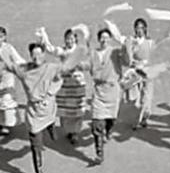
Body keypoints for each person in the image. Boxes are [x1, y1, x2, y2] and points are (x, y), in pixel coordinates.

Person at [7, 42, 64, 173]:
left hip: (48, 107)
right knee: (35, 145)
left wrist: (50, 93)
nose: (36, 57)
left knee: (50, 119)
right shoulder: (24, 70)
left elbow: (61, 77)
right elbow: (9, 64)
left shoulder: (51, 68)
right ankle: (39, 172)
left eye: (39, 53)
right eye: (34, 54)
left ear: (44, 54)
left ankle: (51, 126)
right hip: (34, 112)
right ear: (30, 55)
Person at [79, 28, 124, 165]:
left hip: (112, 90)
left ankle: (109, 130)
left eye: (107, 37)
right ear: (99, 40)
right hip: (98, 91)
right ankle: (99, 153)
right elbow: (87, 65)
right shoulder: (94, 53)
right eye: (102, 37)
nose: (104, 40)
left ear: (110, 39)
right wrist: (75, 64)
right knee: (97, 123)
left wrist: (121, 39)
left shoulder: (116, 52)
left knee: (111, 120)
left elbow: (127, 57)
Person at [47, 28, 88, 144]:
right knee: (65, 109)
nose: (69, 41)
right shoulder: (62, 51)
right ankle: (68, 130)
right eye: (67, 39)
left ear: (75, 39)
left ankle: (75, 132)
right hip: (65, 84)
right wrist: (43, 37)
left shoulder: (79, 50)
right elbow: (51, 50)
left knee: (77, 109)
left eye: (71, 38)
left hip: (77, 83)